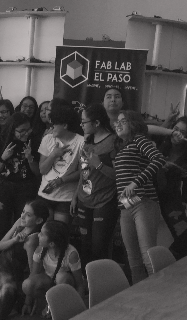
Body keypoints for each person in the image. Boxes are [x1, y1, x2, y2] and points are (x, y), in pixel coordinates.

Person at [114, 111, 166, 284]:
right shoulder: (124, 146)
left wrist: (135, 183)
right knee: (133, 260)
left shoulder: (140, 140)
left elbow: (158, 159)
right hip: (125, 208)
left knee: (148, 256)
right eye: (117, 122)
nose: (118, 124)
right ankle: (141, 299)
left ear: (134, 123)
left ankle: (158, 297)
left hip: (143, 203)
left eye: (123, 121)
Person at [70, 103, 119, 271]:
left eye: (84, 122)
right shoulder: (87, 143)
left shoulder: (114, 142)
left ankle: (103, 286)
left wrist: (98, 165)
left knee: (99, 248)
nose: (81, 125)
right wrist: (76, 195)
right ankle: (85, 284)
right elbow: (84, 171)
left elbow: (119, 176)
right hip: (84, 199)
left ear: (96, 123)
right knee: (85, 245)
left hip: (104, 201)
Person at [0, 112, 41, 243]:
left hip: (26, 186)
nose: (26, 133)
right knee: (2, 224)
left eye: (28, 129)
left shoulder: (34, 141)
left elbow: (37, 172)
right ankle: (1, 257)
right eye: (21, 131)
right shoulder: (1, 140)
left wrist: (30, 158)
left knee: (23, 224)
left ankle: (19, 257)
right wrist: (3, 158)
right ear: (12, 130)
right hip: (4, 186)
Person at [22, 220, 84, 317]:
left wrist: (80, 310)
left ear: (51, 244)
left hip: (66, 286)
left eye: (42, 234)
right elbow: (33, 275)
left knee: (61, 277)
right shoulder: (40, 250)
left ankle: (59, 305)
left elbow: (80, 284)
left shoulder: (71, 254)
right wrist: (27, 303)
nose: (38, 235)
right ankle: (47, 302)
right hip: (50, 282)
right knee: (27, 284)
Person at [38, 98, 83, 223]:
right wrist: (53, 155)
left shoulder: (81, 142)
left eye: (55, 125)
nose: (52, 128)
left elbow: (83, 172)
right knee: (44, 232)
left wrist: (62, 180)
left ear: (65, 125)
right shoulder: (48, 139)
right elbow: (42, 169)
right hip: (45, 194)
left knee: (59, 233)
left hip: (66, 196)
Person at [156, 116, 187, 259]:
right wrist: (168, 122)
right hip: (153, 198)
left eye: (183, 131)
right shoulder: (160, 145)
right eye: (176, 129)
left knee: (183, 236)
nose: (178, 134)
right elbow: (145, 130)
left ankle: (169, 261)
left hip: (174, 202)